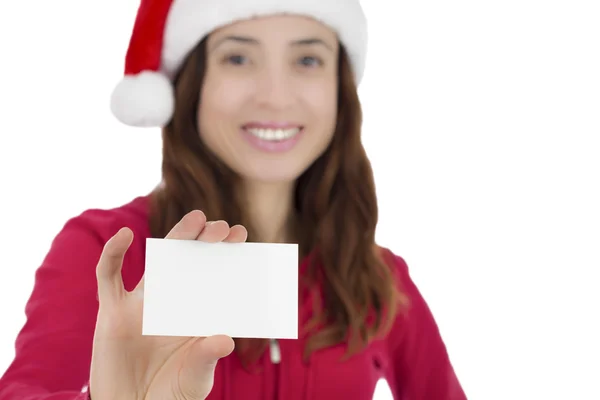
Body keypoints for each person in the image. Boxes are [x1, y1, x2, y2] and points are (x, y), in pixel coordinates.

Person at [0, 0, 467, 399]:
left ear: (340, 90)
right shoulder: (107, 249)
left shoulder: (379, 279)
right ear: (191, 85)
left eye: (308, 60)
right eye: (238, 59)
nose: (276, 98)